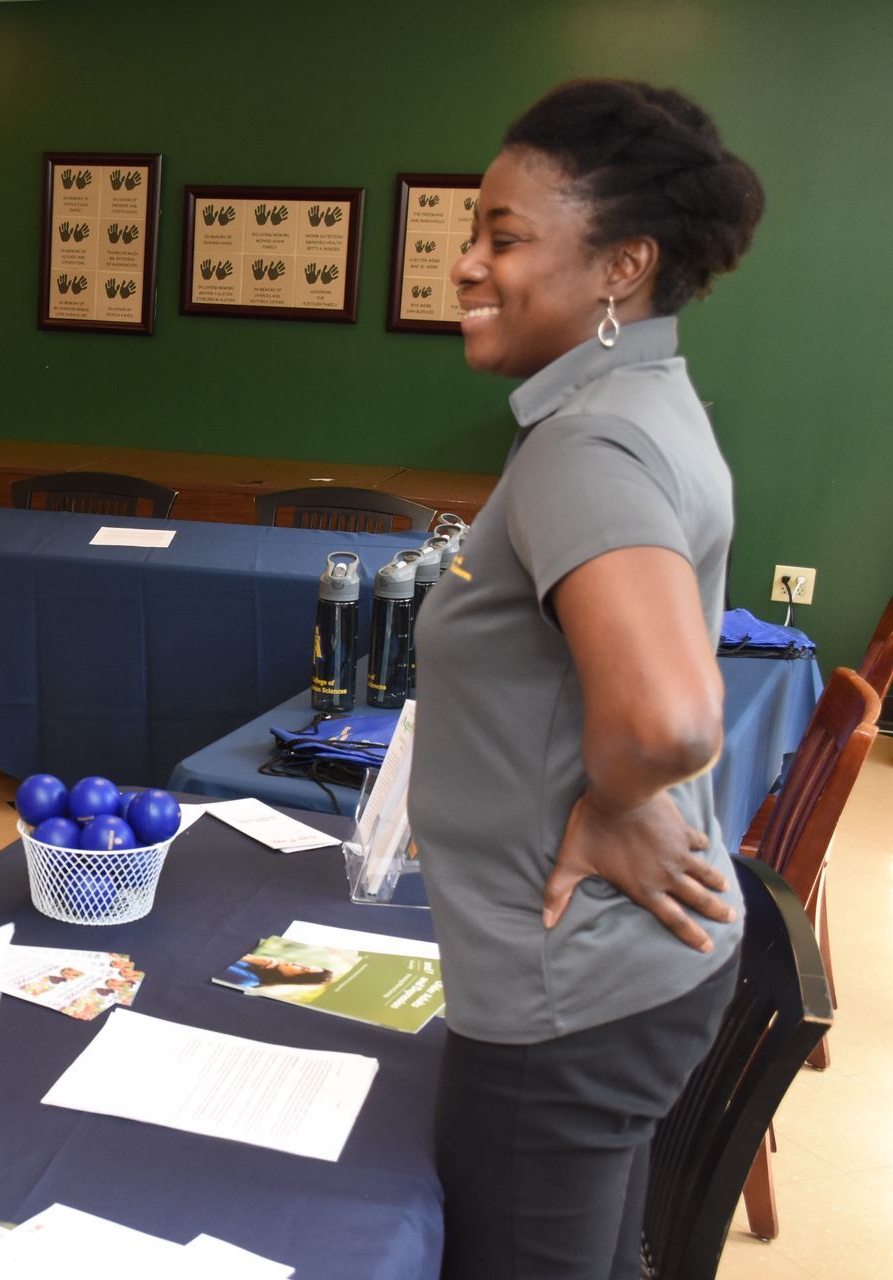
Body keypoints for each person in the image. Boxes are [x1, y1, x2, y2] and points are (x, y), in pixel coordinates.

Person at [408, 79, 764, 1278]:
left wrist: (614, 803)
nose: (466, 264)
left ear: (622, 266)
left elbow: (666, 718)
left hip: (563, 1002)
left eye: (504, 238)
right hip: (631, 980)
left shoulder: (589, 440)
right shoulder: (644, 401)